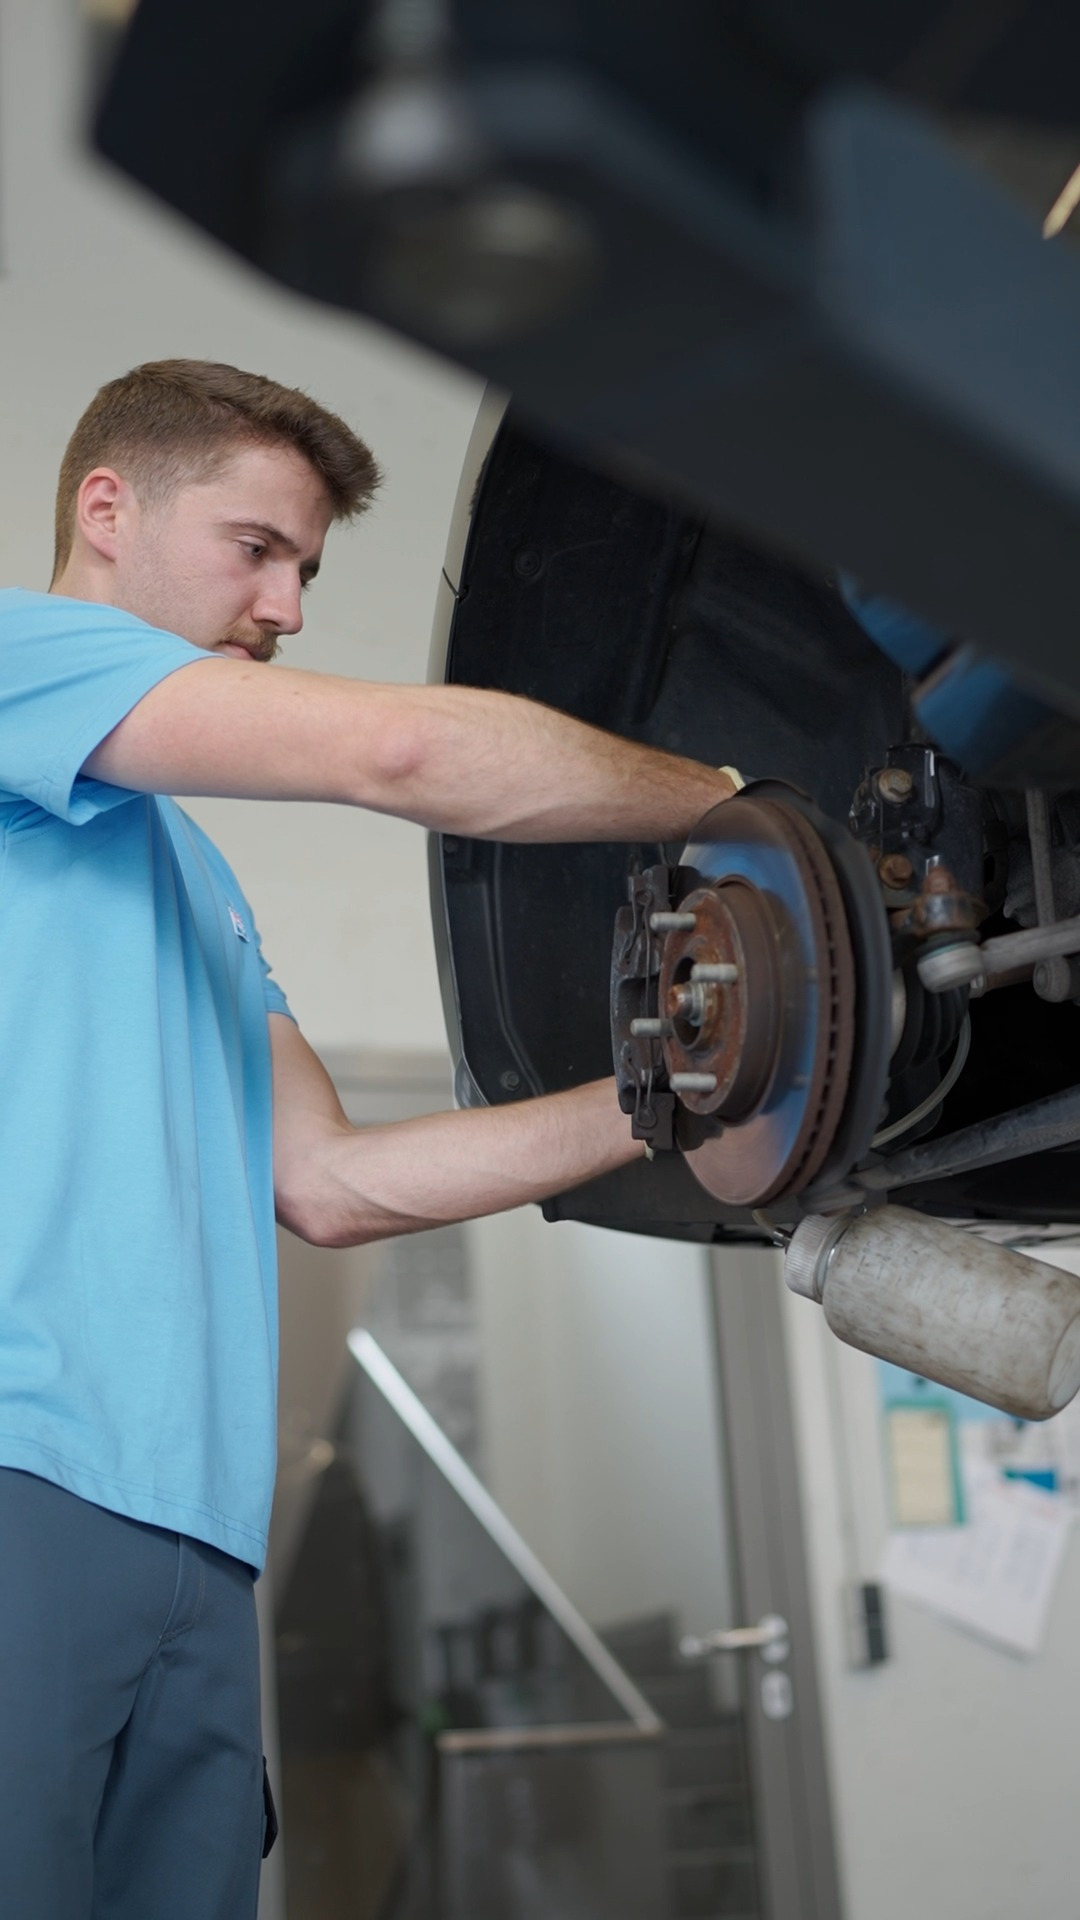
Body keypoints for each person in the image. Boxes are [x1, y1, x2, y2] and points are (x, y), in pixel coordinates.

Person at [0, 359, 735, 1919]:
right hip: (23, 1477)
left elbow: (334, 1185)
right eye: (257, 548)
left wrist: (664, 1087)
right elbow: (398, 757)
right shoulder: (12, 659)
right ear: (107, 509)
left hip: (196, 1540)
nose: (289, 605)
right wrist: (743, 809)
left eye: (309, 570)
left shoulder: (187, 872)